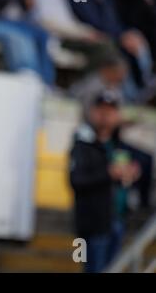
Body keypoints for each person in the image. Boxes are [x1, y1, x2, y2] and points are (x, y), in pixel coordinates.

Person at [69, 91, 142, 273]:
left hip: (118, 220)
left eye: (110, 111)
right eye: (101, 110)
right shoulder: (83, 144)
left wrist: (131, 174)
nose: (105, 115)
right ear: (93, 112)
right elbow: (76, 180)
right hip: (93, 224)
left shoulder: (120, 146)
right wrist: (108, 173)